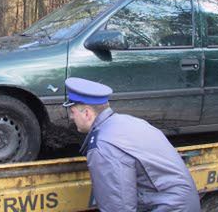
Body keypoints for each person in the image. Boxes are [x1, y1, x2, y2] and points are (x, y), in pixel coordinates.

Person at [63, 77, 201, 212]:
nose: (71, 117)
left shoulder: (103, 145)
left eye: (73, 112)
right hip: (180, 201)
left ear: (87, 113)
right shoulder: (128, 122)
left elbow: (118, 207)